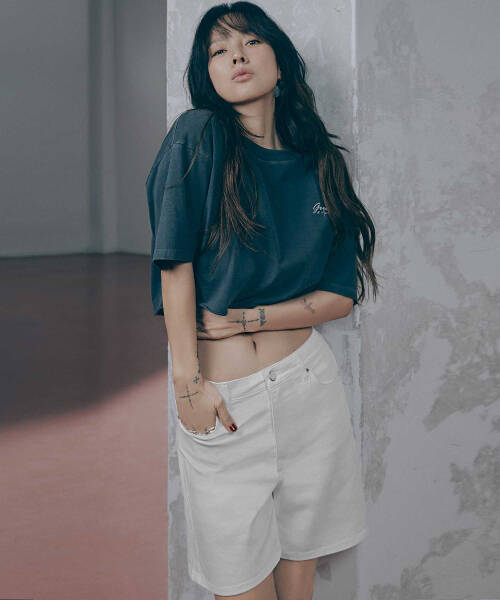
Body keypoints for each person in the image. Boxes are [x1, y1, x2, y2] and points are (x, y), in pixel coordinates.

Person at [145, 2, 379, 598]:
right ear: (207, 73)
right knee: (238, 583)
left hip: (309, 389)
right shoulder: (198, 136)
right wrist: (188, 386)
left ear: (279, 60)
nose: (237, 56)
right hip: (226, 403)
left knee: (299, 583)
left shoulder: (320, 164)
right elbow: (174, 263)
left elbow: (339, 296)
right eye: (219, 50)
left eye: (250, 41)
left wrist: (252, 317)